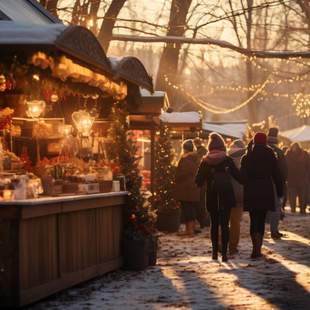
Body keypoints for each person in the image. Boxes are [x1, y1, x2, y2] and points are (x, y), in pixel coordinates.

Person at [196, 132, 241, 262]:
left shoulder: (205, 162)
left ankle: (215, 252)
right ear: (222, 146)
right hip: (226, 196)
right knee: (225, 225)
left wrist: (208, 179)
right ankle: (225, 253)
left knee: (214, 225)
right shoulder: (227, 160)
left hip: (211, 197)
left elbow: (198, 180)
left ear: (210, 147)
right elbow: (239, 177)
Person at [241, 133, 283, 259]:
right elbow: (277, 175)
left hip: (251, 191)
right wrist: (280, 192)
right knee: (261, 219)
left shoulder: (247, 156)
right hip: (265, 189)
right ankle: (258, 248)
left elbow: (242, 177)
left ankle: (255, 247)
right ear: (265, 141)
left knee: (254, 220)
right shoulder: (271, 155)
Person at [174, 139, 200, 236]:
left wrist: (175, 176)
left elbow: (183, 173)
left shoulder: (185, 159)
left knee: (187, 209)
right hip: (194, 187)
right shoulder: (196, 158)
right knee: (191, 208)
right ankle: (191, 229)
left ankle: (189, 231)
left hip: (186, 188)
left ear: (184, 149)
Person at [266, 127, 288, 239]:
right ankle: (274, 231)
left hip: (261, 183)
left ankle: (259, 233)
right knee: (275, 207)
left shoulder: (259, 149)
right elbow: (284, 170)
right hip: (275, 183)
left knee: (261, 207)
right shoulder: (279, 152)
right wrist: (283, 182)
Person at [228, 139, 246, 255]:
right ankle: (233, 247)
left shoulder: (225, 160)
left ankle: (221, 243)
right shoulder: (246, 160)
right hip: (240, 195)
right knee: (235, 222)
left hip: (226, 194)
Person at [286, 143, 310, 214]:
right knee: (293, 197)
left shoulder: (304, 154)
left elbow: (308, 166)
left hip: (301, 179)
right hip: (292, 179)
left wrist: (307, 176)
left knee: (302, 197)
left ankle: (302, 210)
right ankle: (294, 210)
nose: (295, 149)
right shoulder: (288, 155)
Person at [194, 137, 209, 229]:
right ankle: (204, 221)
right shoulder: (205, 151)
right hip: (206, 182)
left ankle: (203, 221)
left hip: (202, 183)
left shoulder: (199, 154)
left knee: (201, 203)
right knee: (204, 203)